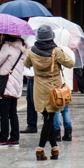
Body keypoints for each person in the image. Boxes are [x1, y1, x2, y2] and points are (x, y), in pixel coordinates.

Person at [25, 24, 75, 160]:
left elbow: (27, 64)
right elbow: (70, 63)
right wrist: (61, 52)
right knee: (49, 119)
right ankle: (40, 148)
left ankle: (54, 148)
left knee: (48, 117)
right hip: (54, 89)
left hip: (39, 89)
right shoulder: (56, 51)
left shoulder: (31, 51)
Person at [0, 36, 26, 147]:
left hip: (6, 84)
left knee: (4, 113)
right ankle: (14, 138)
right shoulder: (23, 49)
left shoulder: (6, 47)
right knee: (13, 113)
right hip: (16, 84)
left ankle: (3, 138)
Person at [52, 45, 76, 141]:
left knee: (56, 109)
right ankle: (68, 132)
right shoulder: (70, 52)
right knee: (65, 110)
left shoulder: (55, 51)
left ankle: (57, 132)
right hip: (67, 86)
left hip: (58, 84)